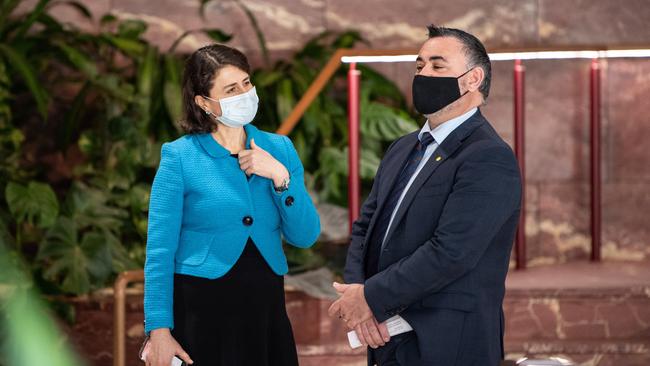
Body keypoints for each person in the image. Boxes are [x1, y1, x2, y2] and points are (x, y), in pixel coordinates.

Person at [328, 25, 522, 366]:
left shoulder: (487, 156)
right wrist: (361, 297)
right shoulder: (404, 147)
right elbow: (367, 225)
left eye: (437, 65)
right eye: (419, 66)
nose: (423, 74)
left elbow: (452, 252)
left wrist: (371, 298)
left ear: (473, 78)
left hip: (446, 340)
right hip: (385, 334)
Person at [143, 44, 321, 366]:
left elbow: (305, 235)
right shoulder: (179, 157)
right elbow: (159, 251)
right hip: (201, 309)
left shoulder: (279, 148)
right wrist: (158, 330)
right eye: (230, 89)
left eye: (246, 83)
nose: (244, 93)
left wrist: (281, 177)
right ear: (203, 102)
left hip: (265, 306)